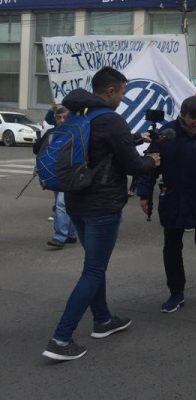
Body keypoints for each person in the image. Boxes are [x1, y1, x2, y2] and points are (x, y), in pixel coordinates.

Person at [42, 67, 159, 362]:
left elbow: (100, 149)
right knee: (93, 270)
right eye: (121, 92)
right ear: (110, 91)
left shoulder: (78, 115)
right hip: (103, 206)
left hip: (76, 202)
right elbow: (133, 165)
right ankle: (61, 338)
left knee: (94, 265)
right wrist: (153, 159)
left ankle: (103, 320)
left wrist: (133, 138)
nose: (122, 98)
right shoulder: (112, 119)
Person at [136, 96, 196, 314]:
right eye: (193, 117)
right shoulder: (167, 134)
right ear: (182, 116)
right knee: (171, 246)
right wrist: (144, 194)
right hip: (174, 198)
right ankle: (176, 292)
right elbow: (151, 164)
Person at [34, 106, 78, 249]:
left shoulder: (76, 132)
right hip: (55, 174)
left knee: (61, 204)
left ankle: (59, 237)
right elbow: (39, 151)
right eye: (58, 117)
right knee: (67, 204)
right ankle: (70, 234)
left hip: (70, 174)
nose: (61, 120)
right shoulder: (52, 133)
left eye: (64, 117)